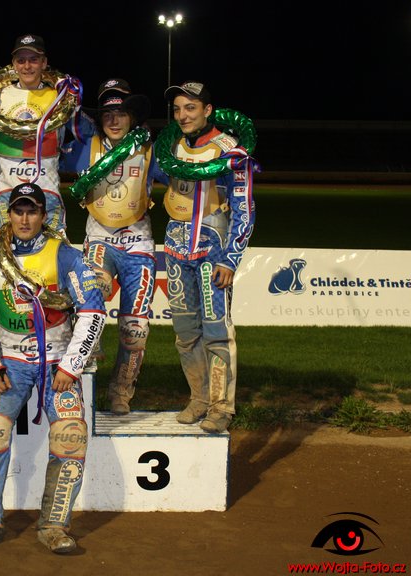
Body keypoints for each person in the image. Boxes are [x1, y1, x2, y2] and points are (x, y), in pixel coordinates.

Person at [0, 183, 106, 554]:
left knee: (71, 435)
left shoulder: (65, 256)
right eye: (18, 211)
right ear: (8, 215)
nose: (25, 219)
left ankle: (54, 526)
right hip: (10, 362)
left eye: (32, 211)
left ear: (43, 215)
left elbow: (93, 311)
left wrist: (71, 365)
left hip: (57, 361)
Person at [153, 81, 256, 433]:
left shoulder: (231, 151)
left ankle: (221, 407)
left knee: (216, 331)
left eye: (190, 108)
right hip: (175, 250)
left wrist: (231, 259)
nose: (182, 115)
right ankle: (199, 397)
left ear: (208, 110)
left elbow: (244, 209)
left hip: (214, 253)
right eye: (177, 109)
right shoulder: (170, 147)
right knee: (184, 332)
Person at [61, 78, 155, 415]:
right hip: (100, 241)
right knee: (90, 305)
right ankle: (80, 385)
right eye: (107, 114)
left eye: (121, 113)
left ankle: (121, 392)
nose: (114, 120)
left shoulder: (149, 149)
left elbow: (183, 178)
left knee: (135, 330)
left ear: (133, 117)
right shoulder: (86, 147)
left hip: (139, 245)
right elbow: (47, 159)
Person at [0, 34, 87, 234]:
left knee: (52, 251)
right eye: (21, 60)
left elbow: (86, 130)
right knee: (4, 252)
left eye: (33, 59)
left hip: (47, 194)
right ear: (14, 64)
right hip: (8, 194)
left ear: (44, 63)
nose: (27, 66)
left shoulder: (60, 96)